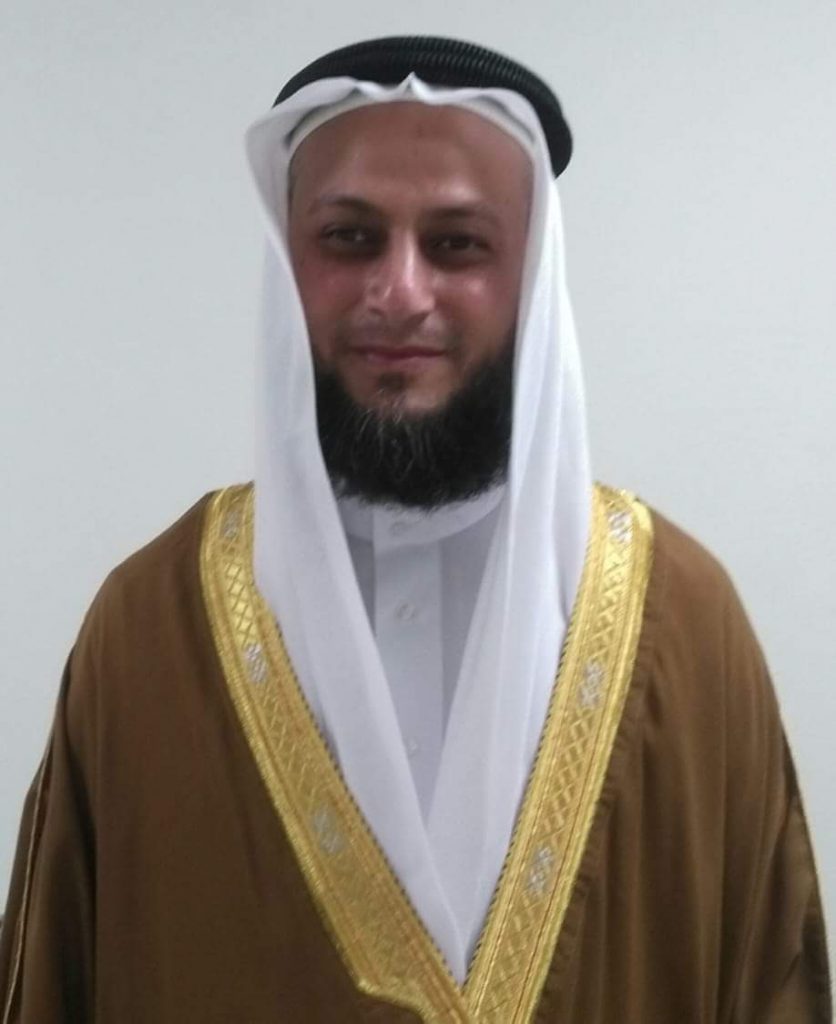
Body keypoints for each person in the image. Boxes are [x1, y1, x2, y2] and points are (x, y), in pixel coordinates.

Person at [0, 35, 830, 1023]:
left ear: (531, 272)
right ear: (287, 259)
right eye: (350, 238)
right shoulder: (147, 627)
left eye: (456, 244)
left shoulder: (688, 626)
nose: (398, 292)